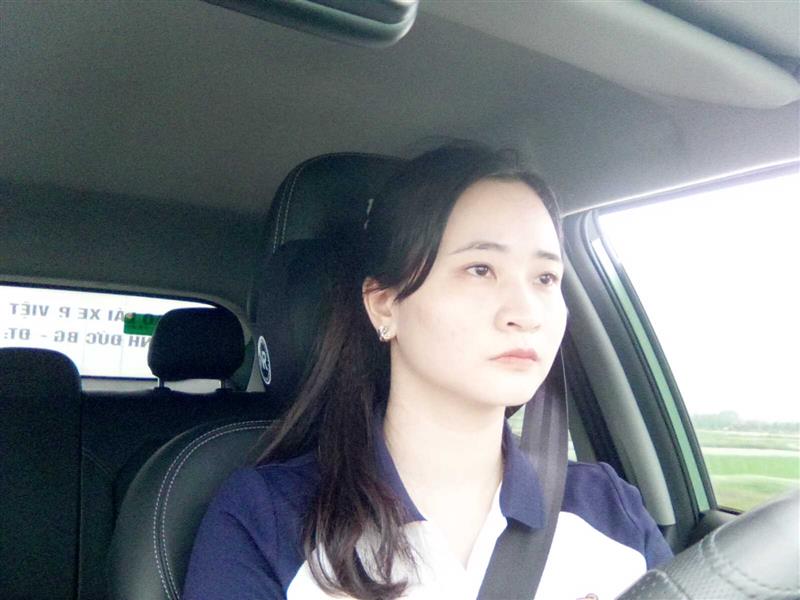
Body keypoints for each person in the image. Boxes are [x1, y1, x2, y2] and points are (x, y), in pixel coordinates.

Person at [182, 144, 673, 600]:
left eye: (545, 277)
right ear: (384, 305)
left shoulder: (609, 506)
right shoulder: (269, 518)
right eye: (480, 269)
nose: (526, 312)